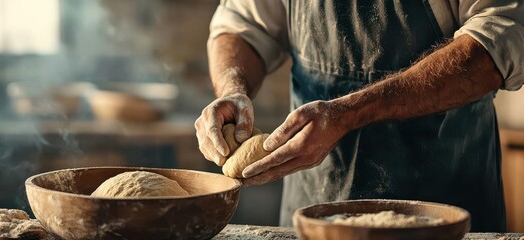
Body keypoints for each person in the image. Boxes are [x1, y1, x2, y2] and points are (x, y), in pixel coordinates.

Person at [194, 0, 524, 232]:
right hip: (315, 204)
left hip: (442, 202)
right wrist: (232, 89)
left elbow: (500, 38)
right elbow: (243, 23)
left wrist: (351, 112)